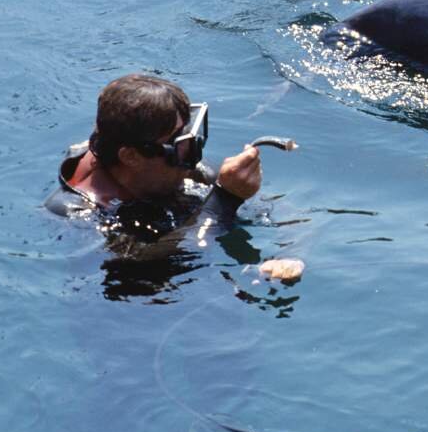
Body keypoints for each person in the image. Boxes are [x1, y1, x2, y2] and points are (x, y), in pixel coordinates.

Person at [46, 73, 304, 282]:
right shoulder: (75, 212)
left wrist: (288, 254)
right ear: (131, 157)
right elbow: (142, 267)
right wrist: (224, 200)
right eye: (178, 145)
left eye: (189, 137)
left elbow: (288, 213)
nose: (192, 158)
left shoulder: (168, 163)